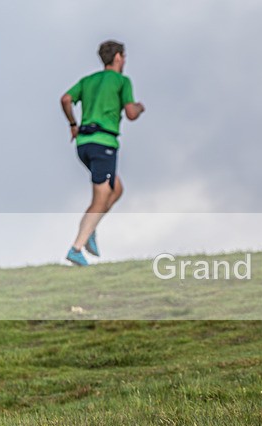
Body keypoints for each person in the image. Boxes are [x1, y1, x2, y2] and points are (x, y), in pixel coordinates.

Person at [61, 40, 145, 265]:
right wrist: (139, 107)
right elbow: (131, 113)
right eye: (123, 57)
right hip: (103, 144)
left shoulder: (88, 80)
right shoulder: (122, 81)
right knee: (100, 199)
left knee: (116, 189)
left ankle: (90, 227)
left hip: (83, 144)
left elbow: (66, 99)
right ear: (117, 57)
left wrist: (73, 124)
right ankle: (77, 248)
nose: (124, 61)